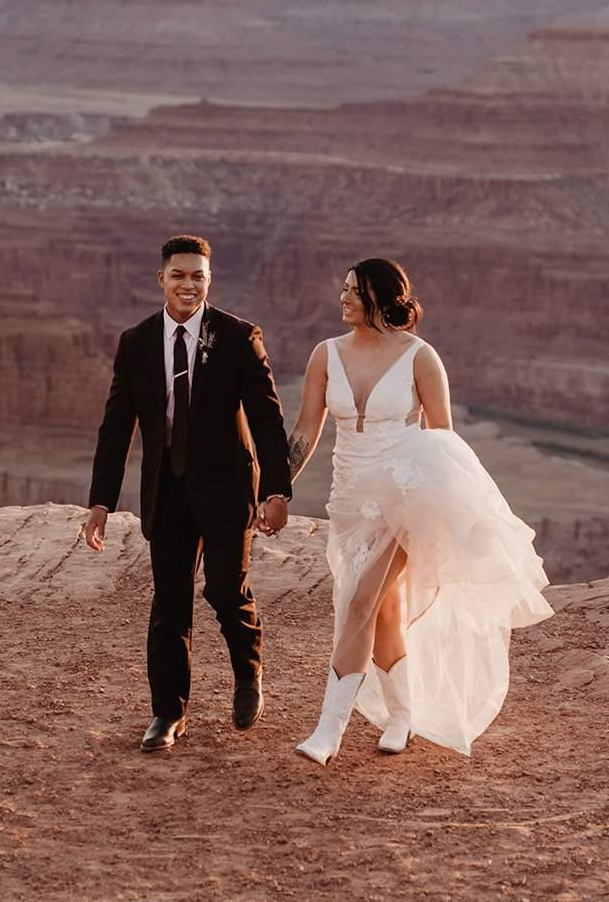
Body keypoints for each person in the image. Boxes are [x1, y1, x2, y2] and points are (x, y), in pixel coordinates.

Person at [288, 258, 553, 763]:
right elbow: (305, 428)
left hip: (402, 500)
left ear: (382, 300)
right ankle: (404, 714)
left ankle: (328, 732)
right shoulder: (325, 354)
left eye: (354, 292)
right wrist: (278, 489)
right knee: (383, 610)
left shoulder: (420, 358)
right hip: (347, 502)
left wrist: (444, 511)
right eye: (343, 289)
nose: (342, 299)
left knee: (360, 603)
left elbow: (443, 438)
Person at [84, 235, 292, 752]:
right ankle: (167, 713)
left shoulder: (240, 337)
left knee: (224, 590)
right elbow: (117, 427)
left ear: (209, 281)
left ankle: (248, 672)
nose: (188, 284)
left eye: (198, 276)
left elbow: (267, 419)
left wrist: (276, 491)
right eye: (179, 275)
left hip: (225, 489)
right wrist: (101, 503)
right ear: (161, 279)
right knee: (169, 603)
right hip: (166, 492)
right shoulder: (136, 341)